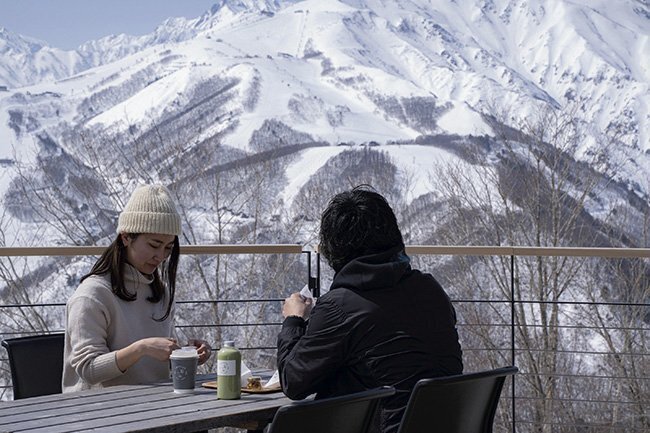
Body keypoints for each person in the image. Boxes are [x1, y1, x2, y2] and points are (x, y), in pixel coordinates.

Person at [277, 185, 463, 433]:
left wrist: (294, 320)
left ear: (334, 248)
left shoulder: (339, 306)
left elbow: (293, 383)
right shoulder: (429, 289)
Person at [63, 184, 211, 392]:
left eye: (168, 248)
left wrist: (187, 354)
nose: (160, 256)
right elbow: (88, 370)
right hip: (96, 415)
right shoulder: (92, 295)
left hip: (152, 406)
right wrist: (141, 348)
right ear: (126, 237)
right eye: (153, 245)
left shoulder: (159, 293)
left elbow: (153, 365)